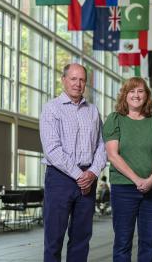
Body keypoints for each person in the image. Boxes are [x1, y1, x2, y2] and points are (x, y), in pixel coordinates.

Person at [40, 63, 107, 262]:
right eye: (73, 79)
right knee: (54, 238)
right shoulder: (51, 109)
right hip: (60, 179)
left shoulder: (93, 111)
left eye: (82, 80)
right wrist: (80, 176)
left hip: (88, 178)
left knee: (81, 238)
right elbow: (52, 150)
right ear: (63, 80)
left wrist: (93, 173)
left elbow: (102, 146)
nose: (78, 84)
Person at [103, 77, 152, 262]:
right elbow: (113, 155)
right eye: (132, 91)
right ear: (125, 95)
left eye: (140, 91)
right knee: (123, 242)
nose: (136, 95)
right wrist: (138, 180)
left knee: (149, 242)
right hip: (123, 189)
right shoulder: (115, 119)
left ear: (146, 96)